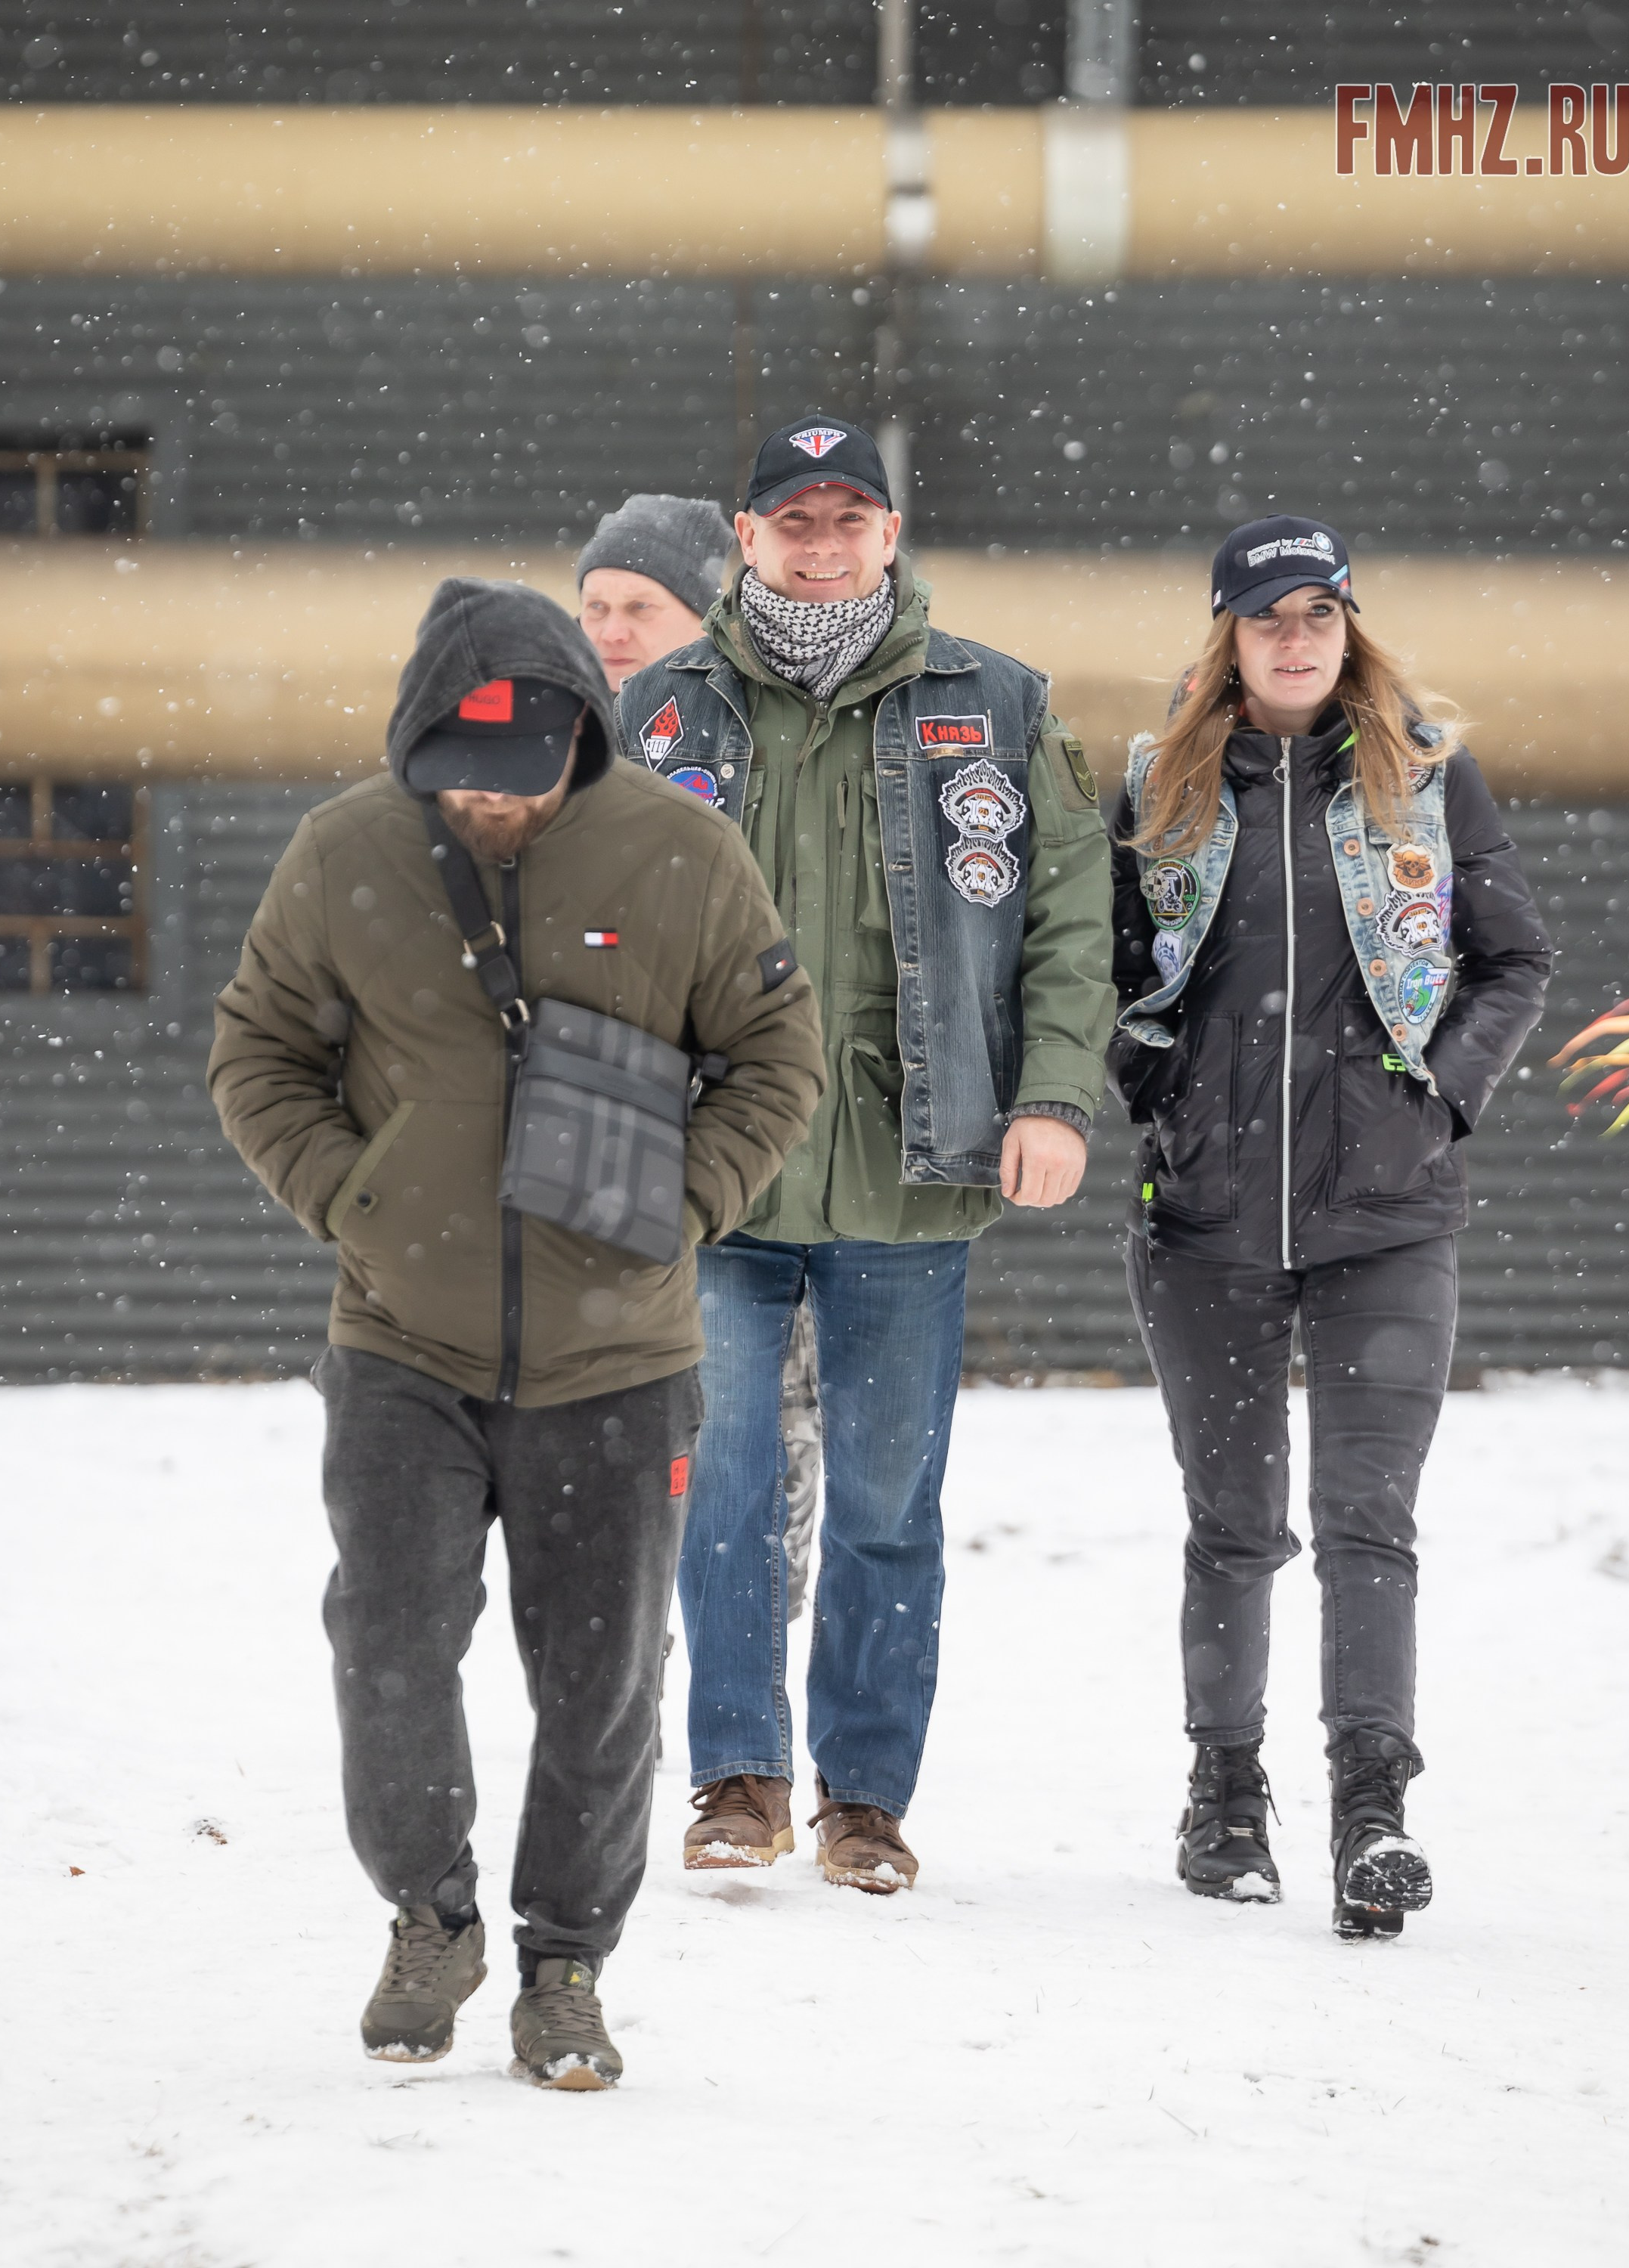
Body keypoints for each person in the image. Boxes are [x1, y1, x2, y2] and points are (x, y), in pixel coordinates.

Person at [209, 578, 824, 2085]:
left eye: (522, 767)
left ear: (583, 736)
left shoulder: (684, 855)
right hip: (399, 1343)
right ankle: (431, 1917)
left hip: (618, 1359)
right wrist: (351, 1197)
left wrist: (679, 1203)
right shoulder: (344, 852)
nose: (489, 795)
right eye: (458, 770)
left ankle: (564, 1964)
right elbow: (258, 1048)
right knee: (391, 1646)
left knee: (600, 1679)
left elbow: (777, 1058)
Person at [618, 415, 1118, 1891]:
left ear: (890, 538)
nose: (822, 544)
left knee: (890, 1500)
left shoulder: (1001, 707)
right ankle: (736, 1780)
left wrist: (1053, 1100)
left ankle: (866, 1802)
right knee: (723, 1486)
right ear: (746, 535)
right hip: (715, 1171)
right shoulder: (660, 715)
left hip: (914, 1166)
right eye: (795, 520)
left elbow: (1069, 927)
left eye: (850, 519)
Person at [1107, 516, 1551, 1937]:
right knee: (1232, 1527)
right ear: (1226, 637)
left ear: (1348, 624)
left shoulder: (1423, 773)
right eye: (1265, 617)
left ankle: (1373, 1808)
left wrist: (1438, 1102)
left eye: (1317, 613)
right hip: (1207, 1215)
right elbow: (1101, 968)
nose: (1294, 639)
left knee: (1370, 1523)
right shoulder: (1157, 782)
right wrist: (1158, 1095)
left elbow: (1512, 958)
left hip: (1386, 1213)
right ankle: (1223, 1797)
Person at [575, 491, 825, 1622]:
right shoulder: (549, 764)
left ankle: (745, 1743)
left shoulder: (773, 758)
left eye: (641, 606)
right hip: (591, 1166)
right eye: (594, 607)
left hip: (748, 1168)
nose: (612, 630)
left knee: (760, 1462)